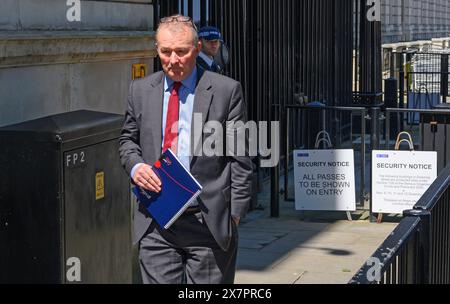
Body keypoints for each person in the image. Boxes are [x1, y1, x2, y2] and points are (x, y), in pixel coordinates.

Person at [118, 14, 252, 284]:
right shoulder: (140, 90)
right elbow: (127, 141)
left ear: (198, 49)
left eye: (182, 51)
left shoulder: (226, 91)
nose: (173, 60)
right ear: (157, 49)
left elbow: (241, 158)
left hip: (208, 223)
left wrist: (234, 214)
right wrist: (136, 166)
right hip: (156, 221)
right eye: (165, 52)